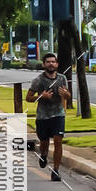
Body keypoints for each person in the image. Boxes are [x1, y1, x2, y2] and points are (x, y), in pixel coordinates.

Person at [26, 52, 69, 181]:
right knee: (44, 142)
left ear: (57, 64)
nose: (51, 64)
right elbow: (28, 98)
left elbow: (67, 95)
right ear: (44, 64)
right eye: (48, 62)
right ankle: (43, 155)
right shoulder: (38, 80)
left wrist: (66, 95)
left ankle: (55, 171)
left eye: (53, 62)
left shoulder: (62, 79)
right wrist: (41, 96)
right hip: (43, 117)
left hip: (58, 114)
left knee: (58, 141)